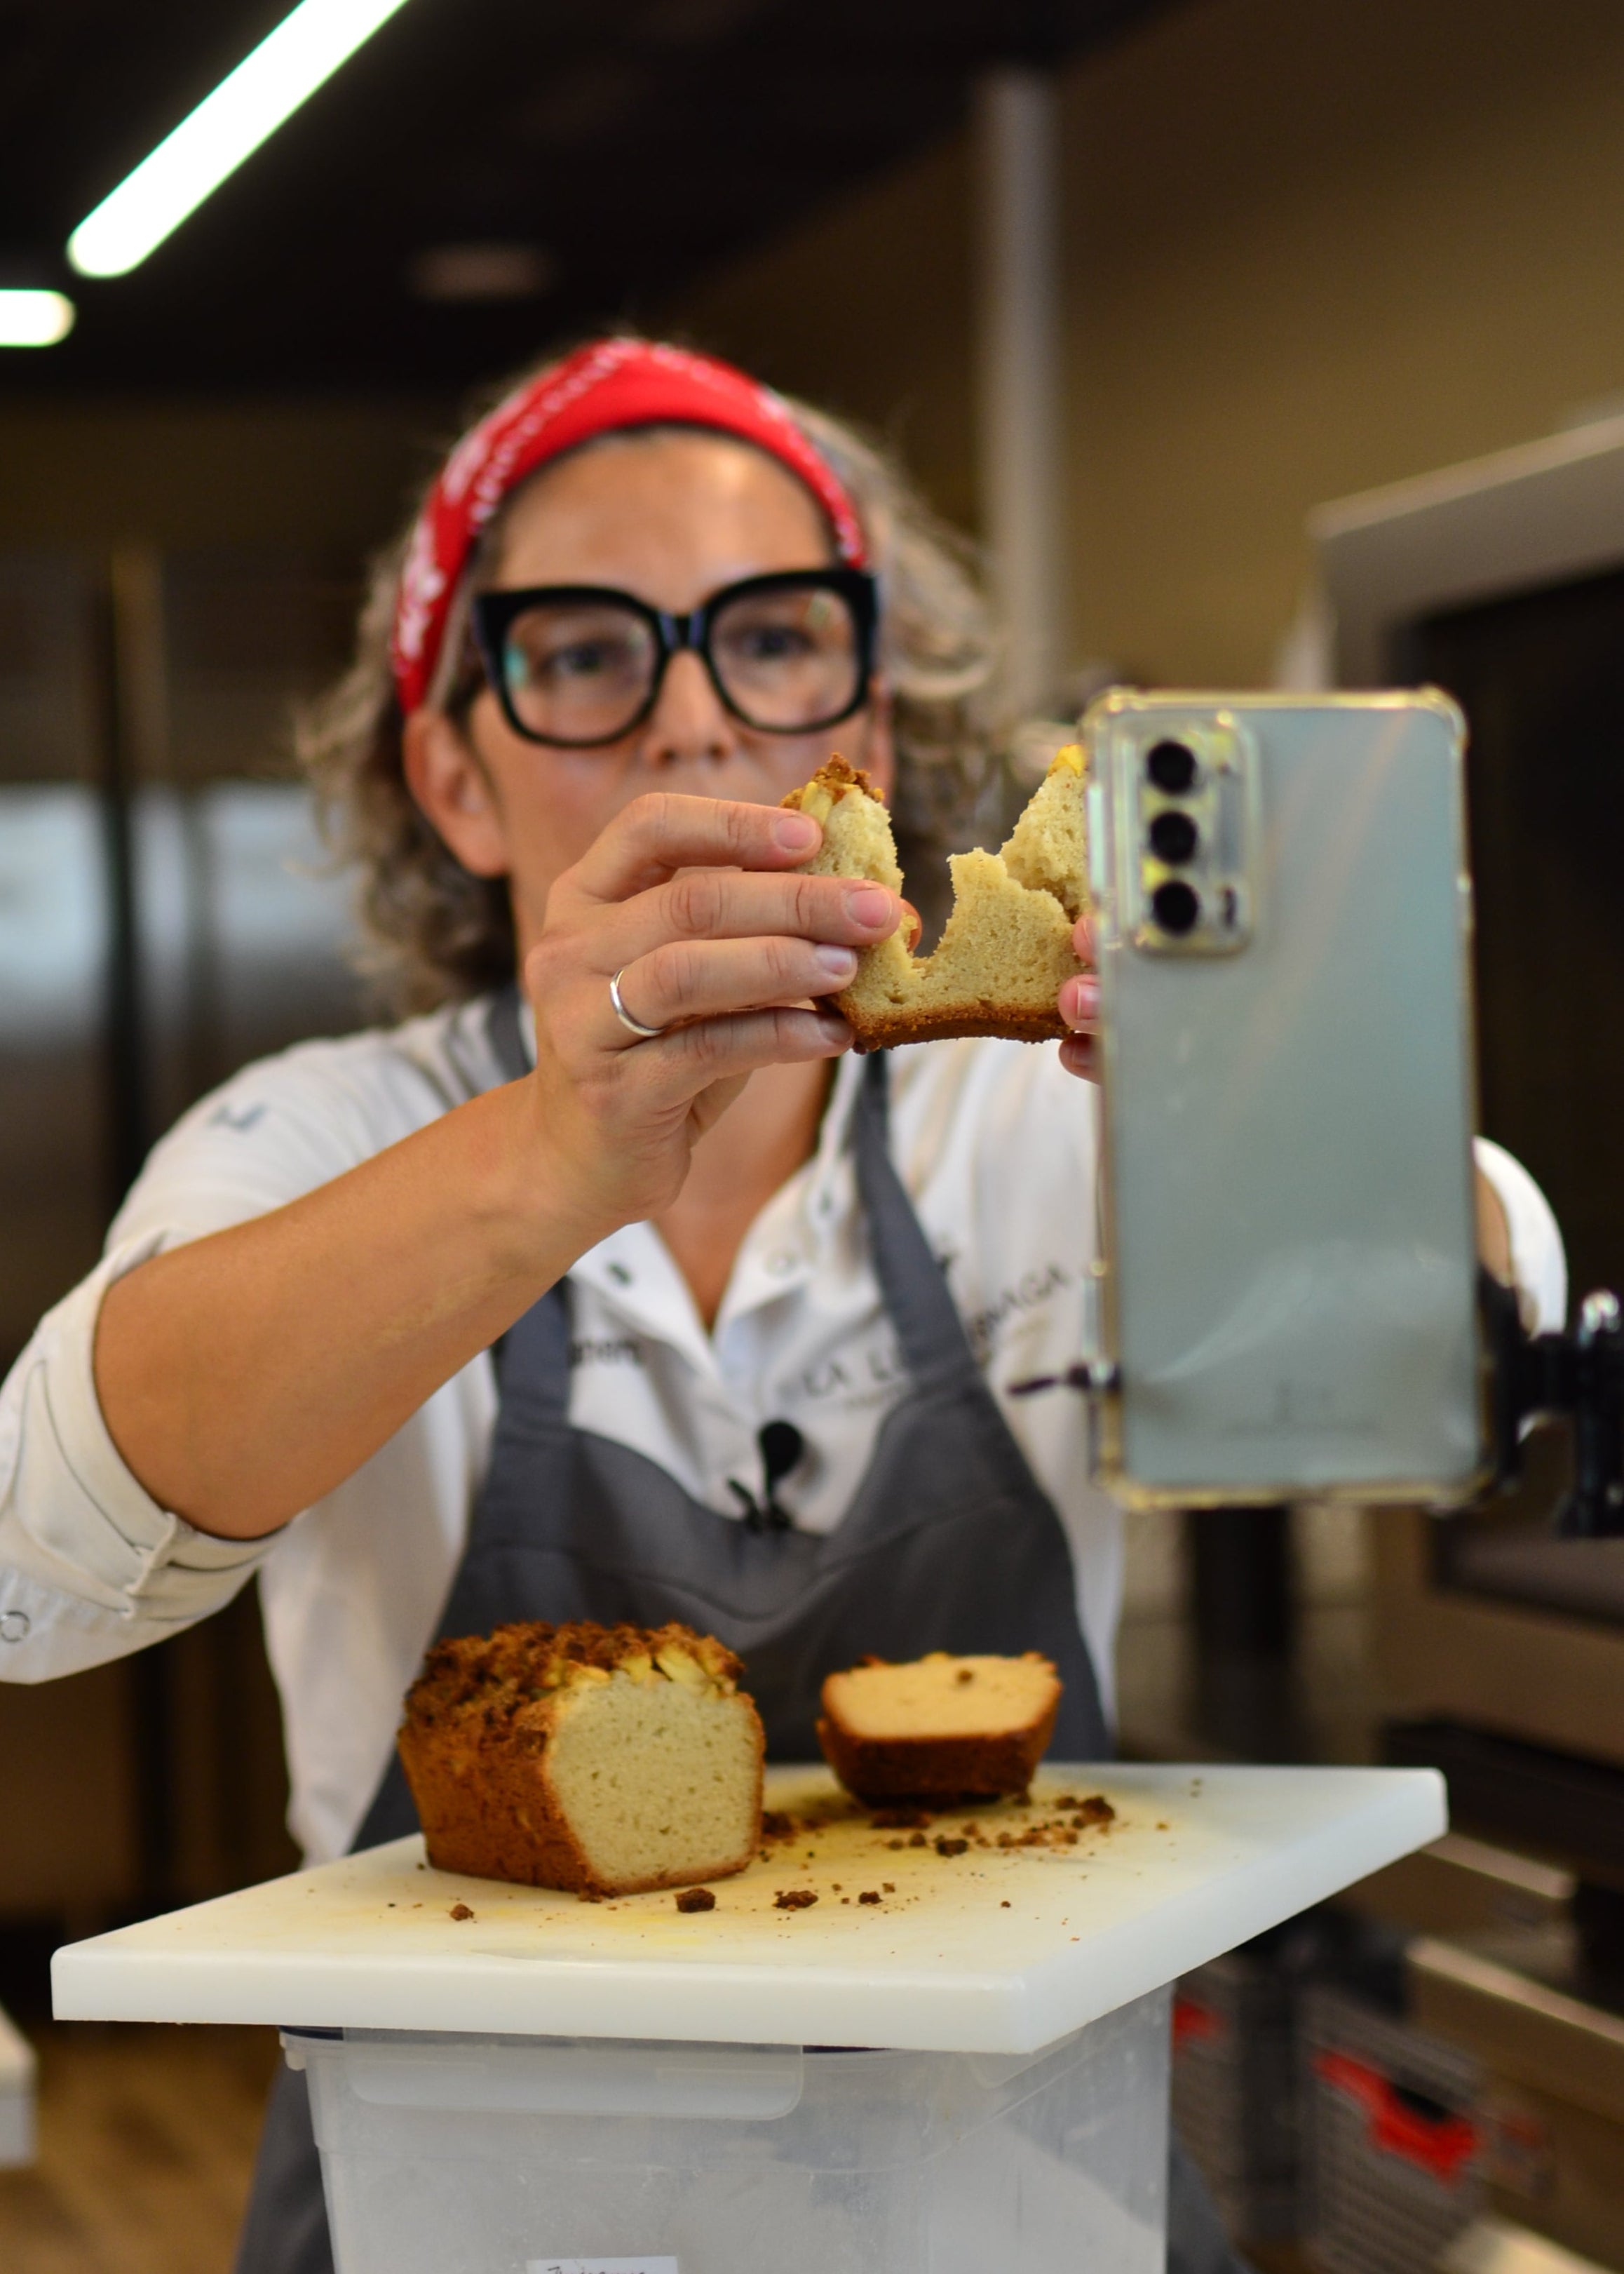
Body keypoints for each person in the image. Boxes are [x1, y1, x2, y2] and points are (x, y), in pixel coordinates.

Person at [0, 338, 1564, 2274]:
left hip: (1014, 2201)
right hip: (467, 2211)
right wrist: (558, 1153)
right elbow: (40, 1561)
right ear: (451, 776)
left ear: (872, 733)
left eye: (772, 637)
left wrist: (1277, 1077)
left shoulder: (1037, 1119)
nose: (691, 726)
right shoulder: (329, 1134)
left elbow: (1474, 1361)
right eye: (582, 654)